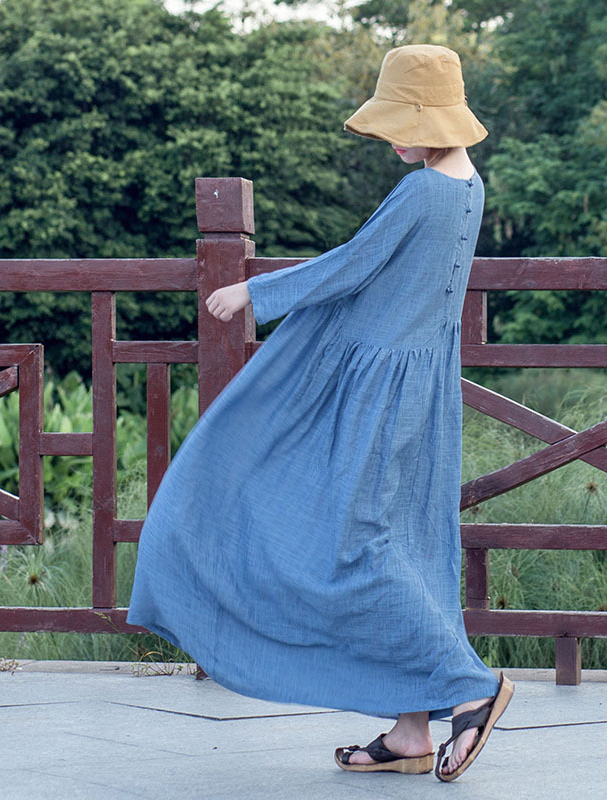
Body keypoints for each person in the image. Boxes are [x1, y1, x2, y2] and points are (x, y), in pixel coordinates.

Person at [126, 43, 513, 783]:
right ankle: (410, 731)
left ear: (429, 119)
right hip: (424, 391)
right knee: (409, 544)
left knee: (355, 544)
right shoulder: (470, 188)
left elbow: (354, 264)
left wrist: (254, 292)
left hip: (380, 392)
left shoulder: (422, 193)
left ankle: (471, 686)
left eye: (398, 123)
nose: (389, 138)